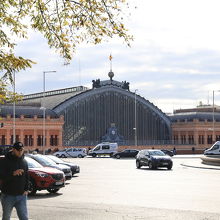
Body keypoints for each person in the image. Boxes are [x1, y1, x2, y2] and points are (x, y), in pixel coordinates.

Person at [0, 142, 29, 220]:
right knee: (6, 218)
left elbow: (26, 176)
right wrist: (13, 173)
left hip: (21, 196)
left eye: (21, 150)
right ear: (13, 150)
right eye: (18, 150)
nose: (20, 152)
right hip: (8, 196)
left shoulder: (24, 162)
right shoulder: (4, 161)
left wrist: (26, 189)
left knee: (24, 218)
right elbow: (2, 177)